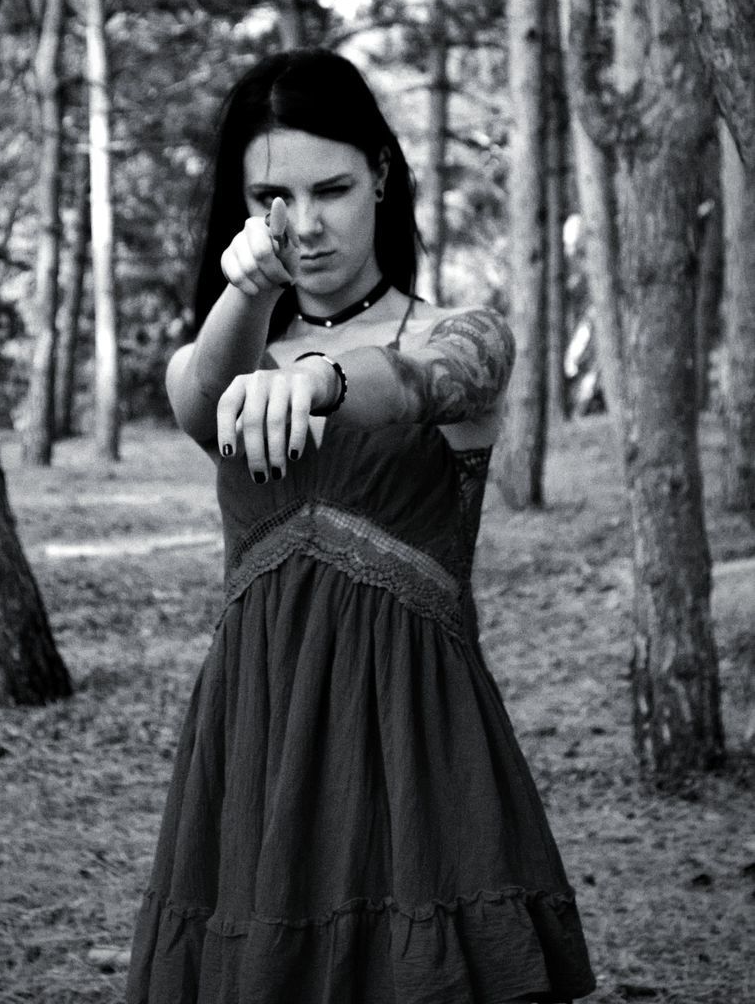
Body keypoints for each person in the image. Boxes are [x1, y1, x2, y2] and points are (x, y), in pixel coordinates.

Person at [126, 49, 596, 1004]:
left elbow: (440, 377)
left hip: (415, 743)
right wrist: (251, 298)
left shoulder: (457, 332)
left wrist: (323, 377)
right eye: (271, 199)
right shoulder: (232, 350)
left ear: (381, 173)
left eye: (331, 187)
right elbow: (197, 399)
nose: (302, 225)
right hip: (256, 730)